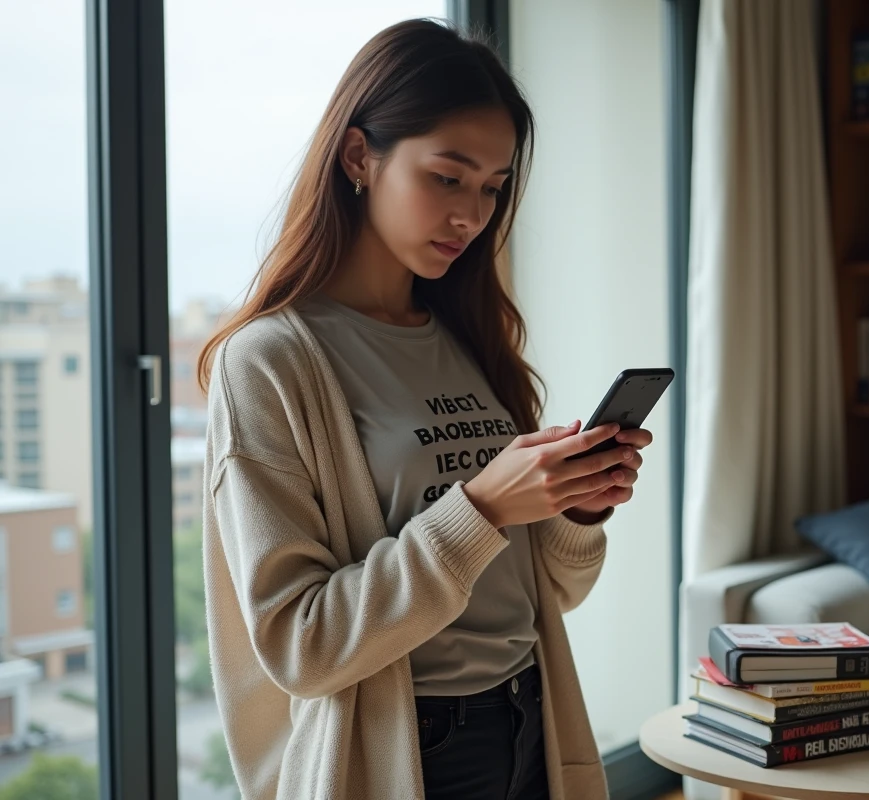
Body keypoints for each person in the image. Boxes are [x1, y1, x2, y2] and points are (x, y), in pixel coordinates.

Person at [198, 18, 652, 800]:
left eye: (493, 187)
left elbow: (545, 596)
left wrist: (577, 512)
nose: (471, 217)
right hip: (415, 755)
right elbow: (301, 644)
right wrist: (479, 509)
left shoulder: (471, 337)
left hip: (533, 724)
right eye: (448, 177)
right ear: (358, 156)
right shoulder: (270, 362)